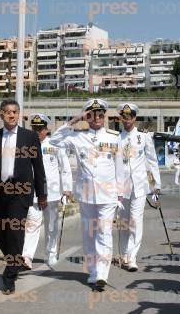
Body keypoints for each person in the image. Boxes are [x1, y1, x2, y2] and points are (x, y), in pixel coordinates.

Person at [0, 99, 47, 295]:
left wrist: (42, 194)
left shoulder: (30, 137)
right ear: (1, 114)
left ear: (19, 114)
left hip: (20, 192)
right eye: (7, 112)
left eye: (15, 112)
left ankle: (9, 277)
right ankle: (15, 259)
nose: (11, 115)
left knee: (15, 232)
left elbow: (38, 168)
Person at [49, 98, 121, 292]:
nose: (97, 118)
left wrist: (121, 193)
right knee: (89, 234)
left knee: (104, 233)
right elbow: (54, 140)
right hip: (86, 194)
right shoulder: (77, 136)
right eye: (92, 114)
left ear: (104, 116)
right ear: (87, 117)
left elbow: (120, 167)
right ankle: (93, 271)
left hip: (108, 194)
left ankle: (102, 275)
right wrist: (73, 121)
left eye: (100, 114)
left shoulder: (115, 137)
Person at [22, 113, 73, 269]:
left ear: (46, 129)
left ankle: (50, 253)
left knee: (51, 226)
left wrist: (67, 190)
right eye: (35, 128)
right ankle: (27, 256)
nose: (37, 131)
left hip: (52, 193)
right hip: (33, 193)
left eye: (40, 128)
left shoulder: (55, 145)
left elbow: (65, 168)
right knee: (32, 224)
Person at [115, 103, 161, 272]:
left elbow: (152, 161)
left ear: (135, 118)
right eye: (123, 117)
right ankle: (124, 254)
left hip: (139, 185)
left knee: (135, 221)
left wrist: (156, 185)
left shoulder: (144, 137)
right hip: (121, 187)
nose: (126, 120)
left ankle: (131, 257)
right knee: (124, 222)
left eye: (130, 116)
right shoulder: (116, 138)